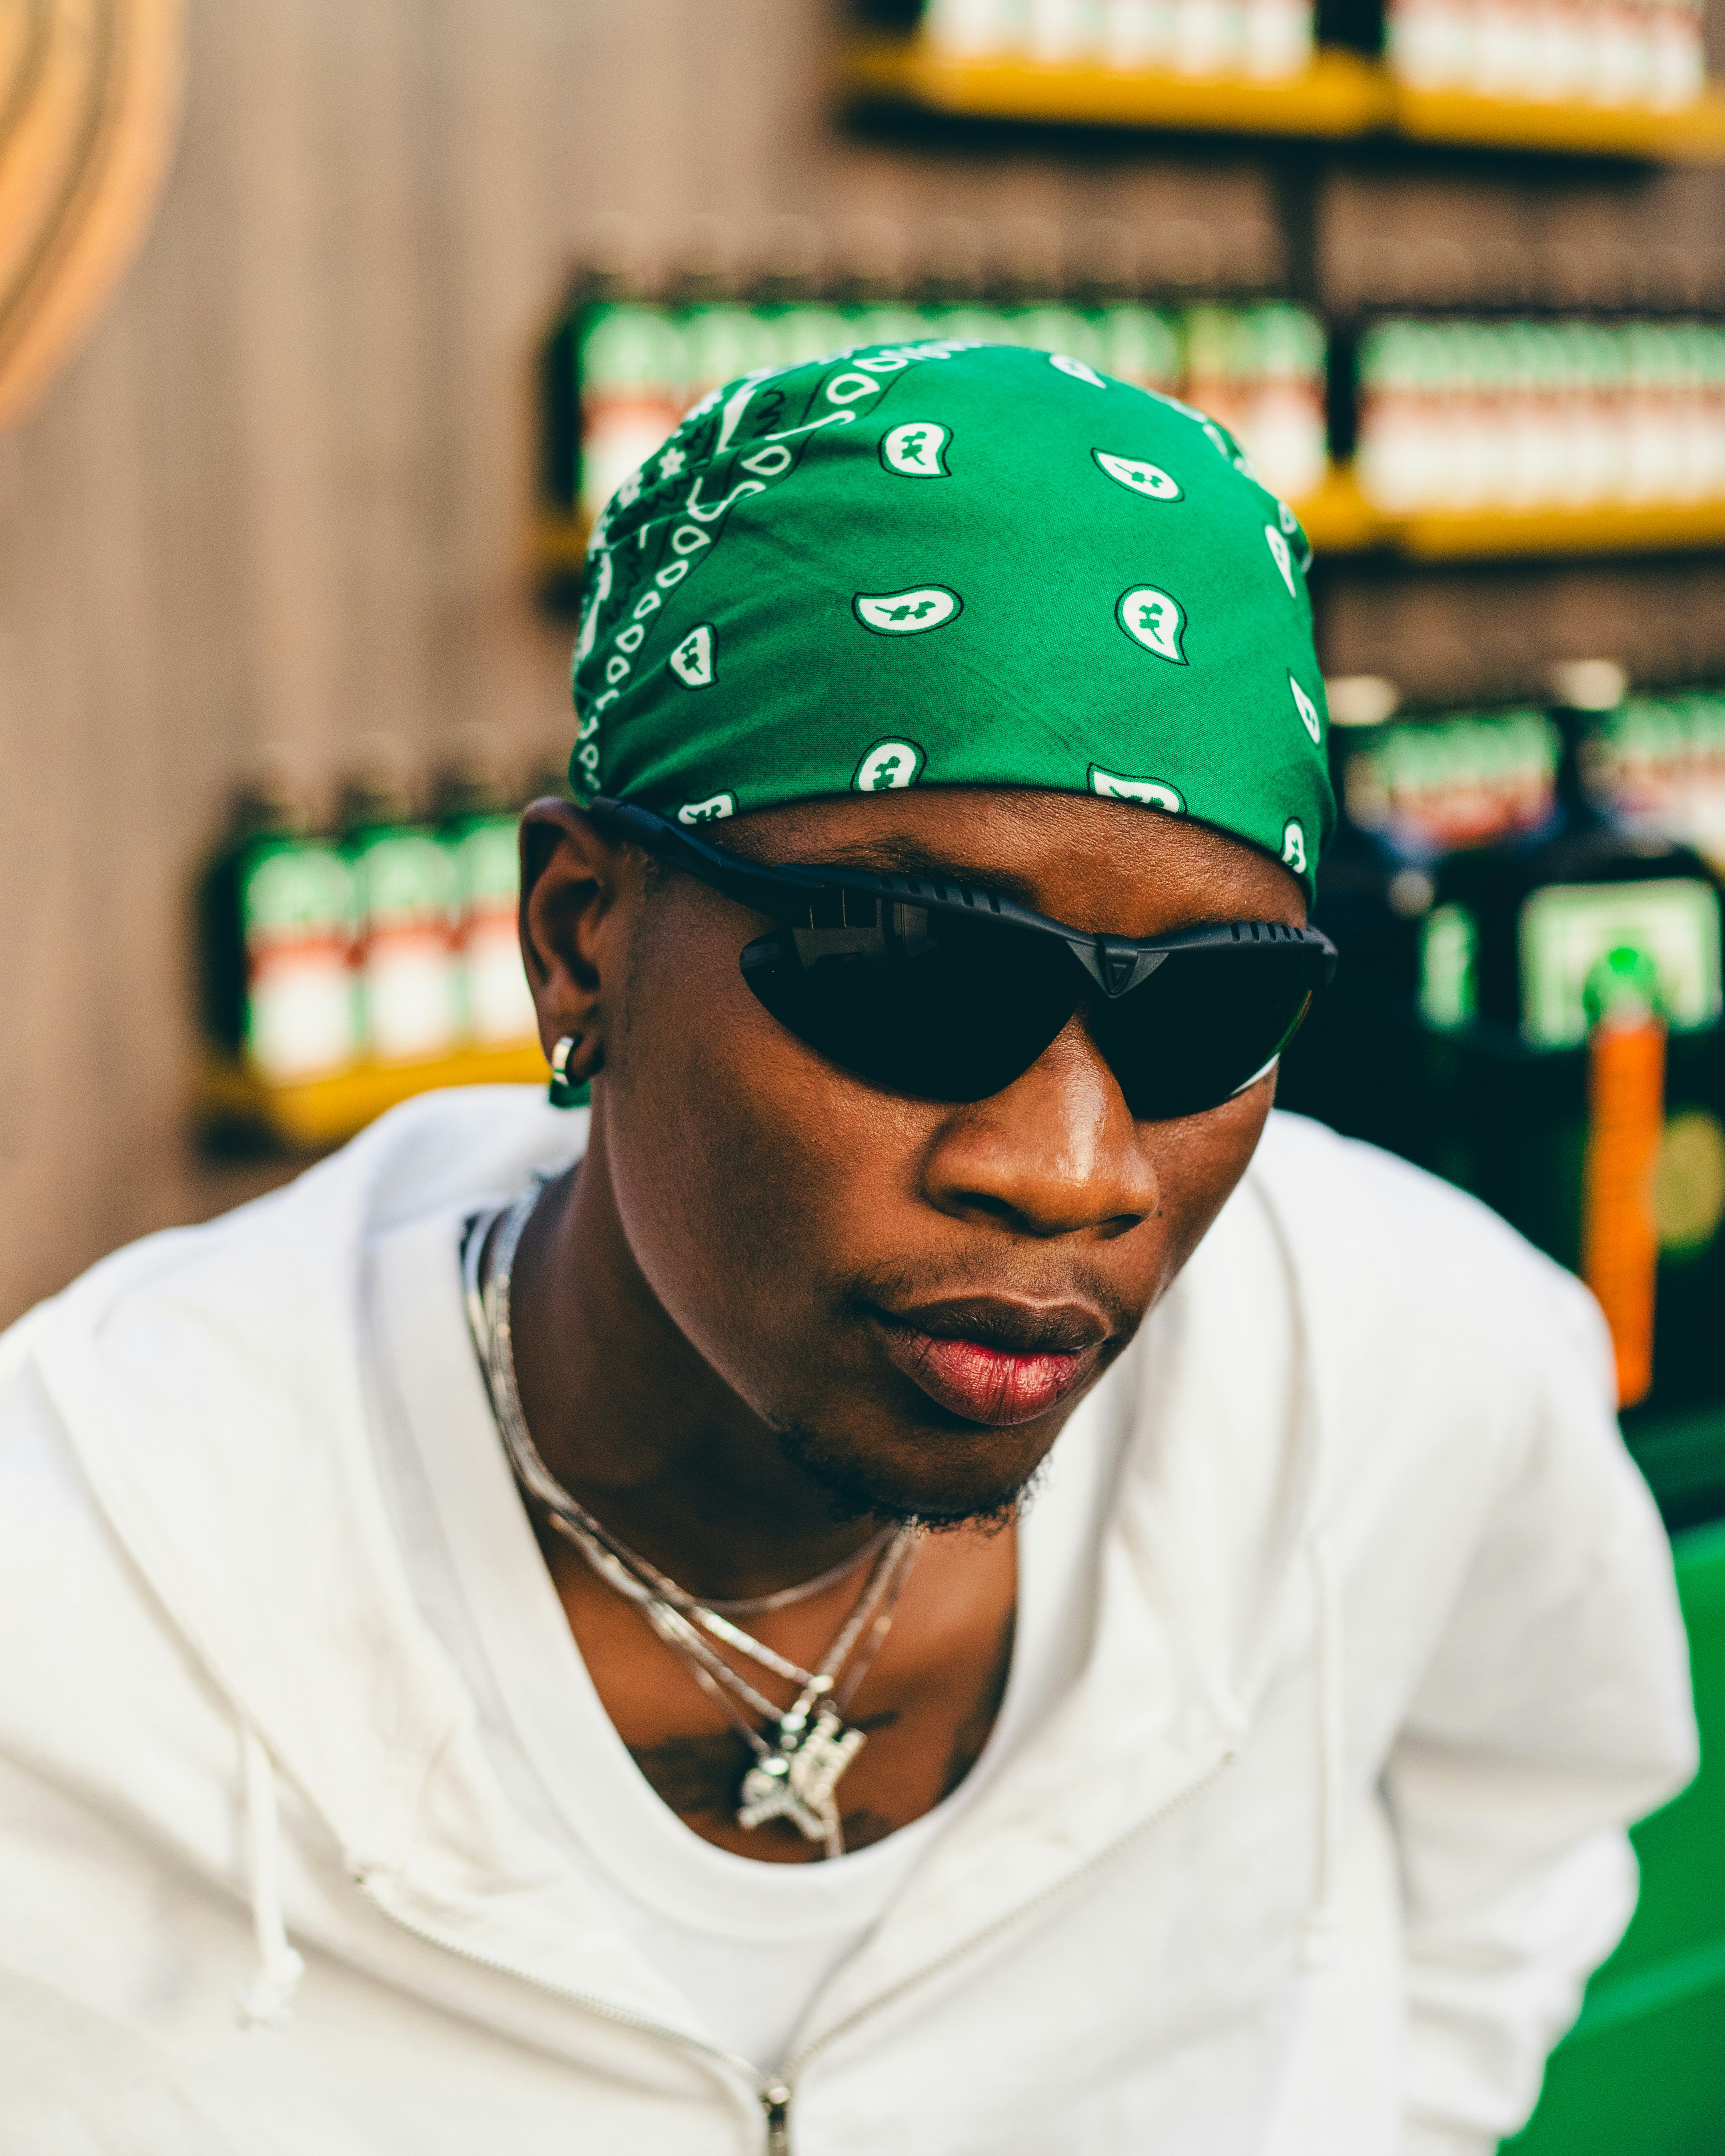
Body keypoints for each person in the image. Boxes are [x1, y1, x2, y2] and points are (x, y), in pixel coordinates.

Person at [0, 341, 1696, 2156]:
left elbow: (1527, 1836)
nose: (1069, 1171)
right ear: (579, 938)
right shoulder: (79, 1606)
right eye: (912, 969)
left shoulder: (1408, 1360)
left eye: (1210, 1014)